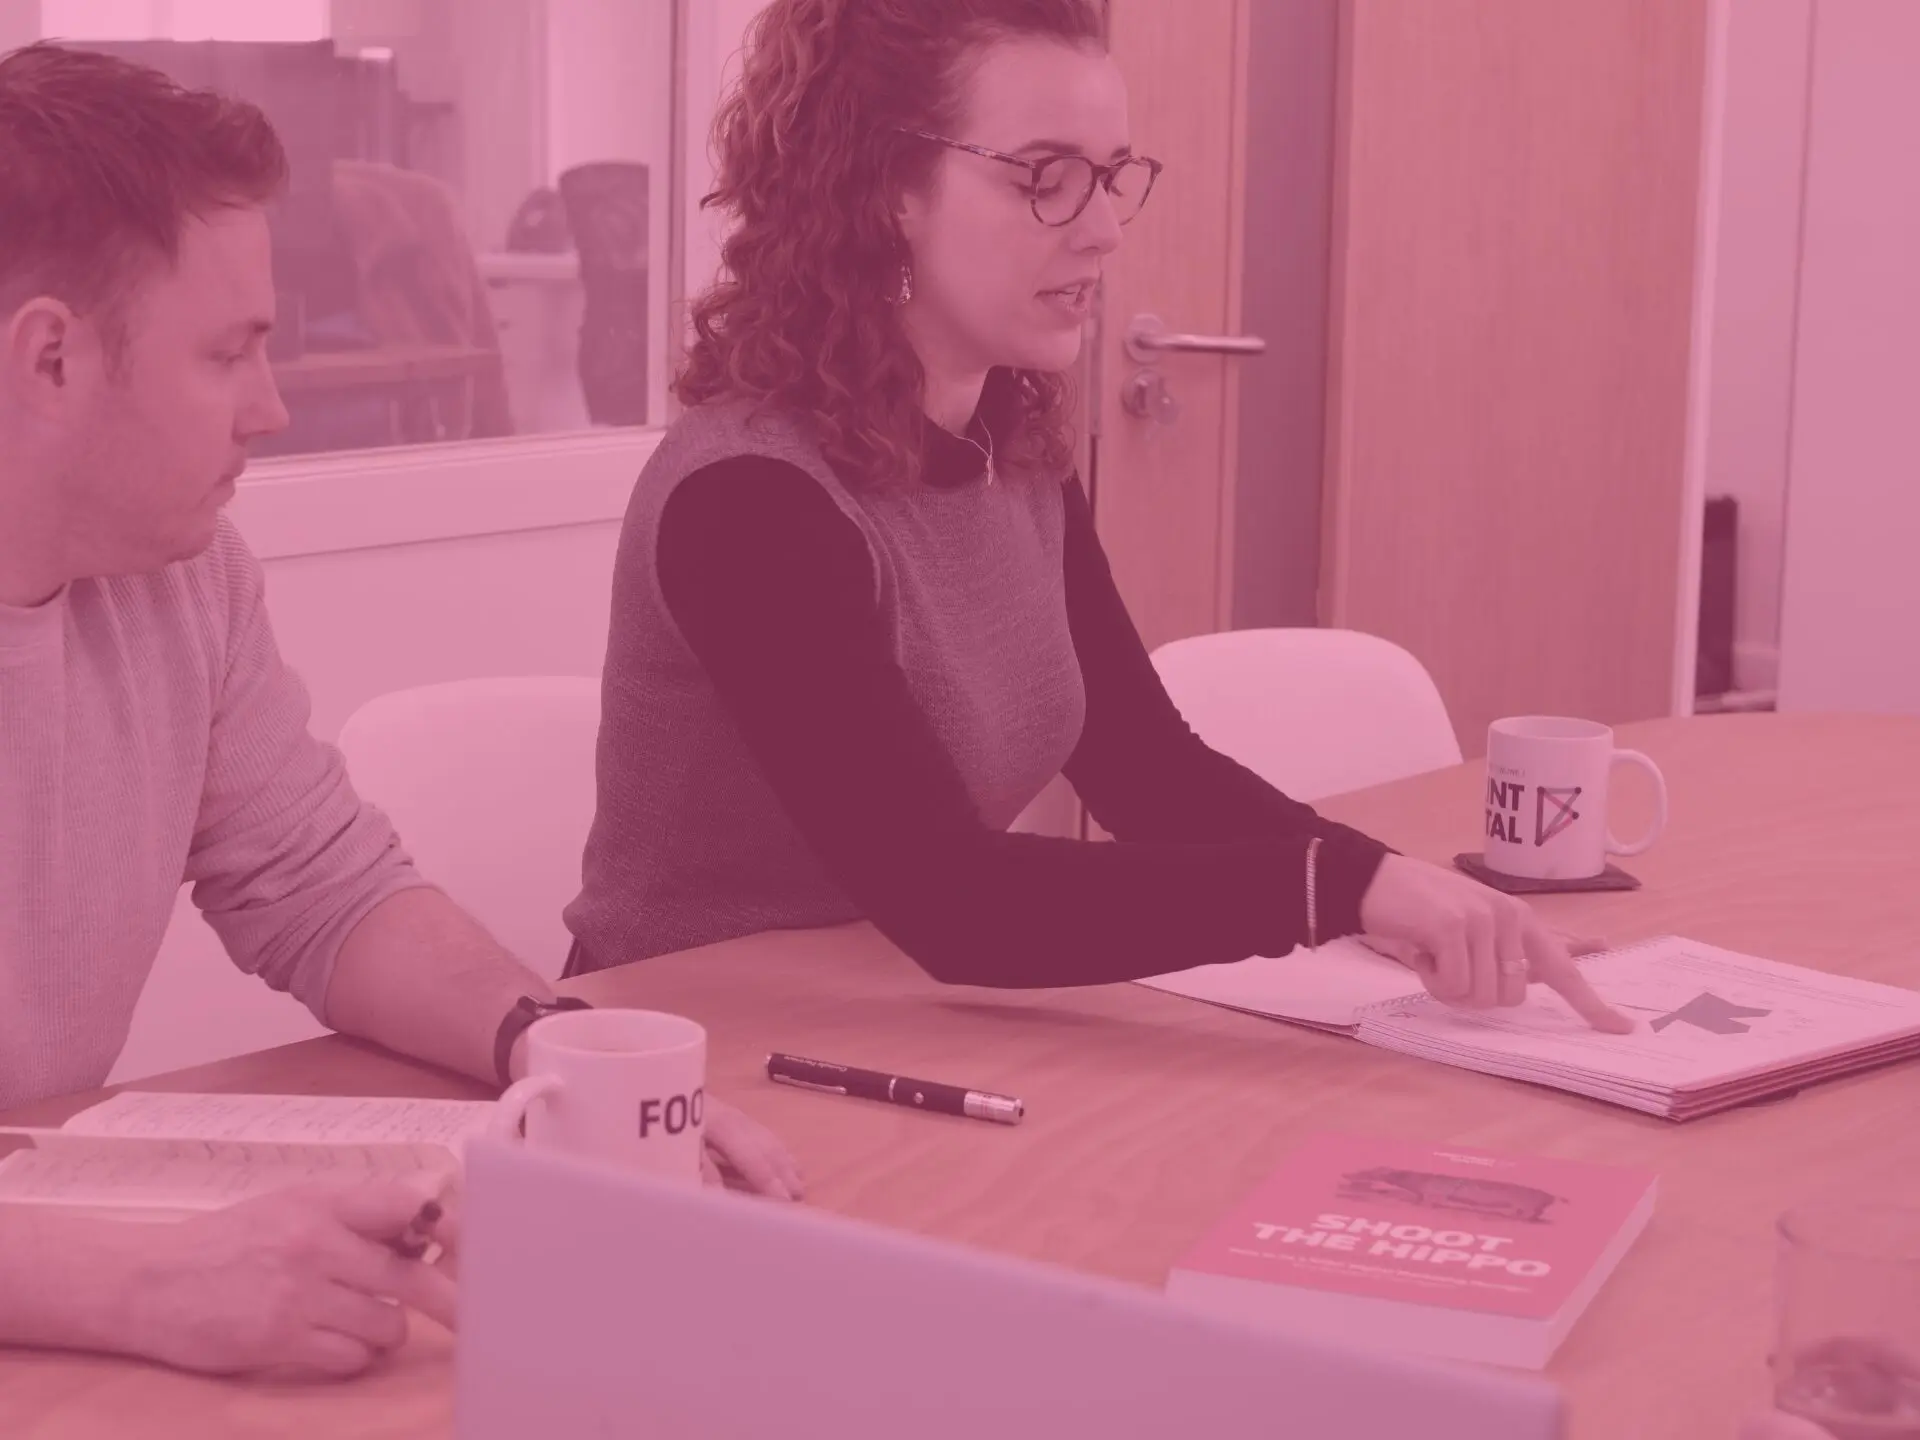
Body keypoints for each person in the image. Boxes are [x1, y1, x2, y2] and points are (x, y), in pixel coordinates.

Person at [562, 0, 1634, 1037]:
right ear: (886, 185)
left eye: (1113, 177)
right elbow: (956, 901)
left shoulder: (1011, 448)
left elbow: (1147, 770)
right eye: (1047, 179)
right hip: (695, 1059)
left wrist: (1387, 893)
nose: (1106, 230)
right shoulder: (752, 502)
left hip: (899, 1021)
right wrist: (1334, 892)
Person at [0, 43, 800, 1381]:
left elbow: (318, 884)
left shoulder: (181, 580)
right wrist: (141, 1281)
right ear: (50, 360)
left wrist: (545, 1045)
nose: (272, 407)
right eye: (228, 355)